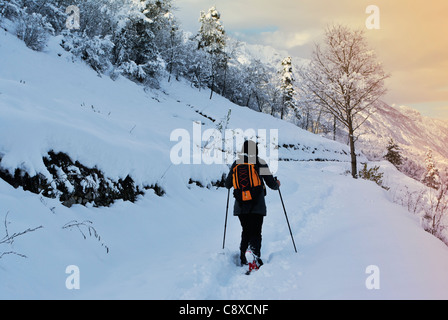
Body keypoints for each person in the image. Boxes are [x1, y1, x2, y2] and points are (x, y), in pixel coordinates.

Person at [225, 140, 281, 268]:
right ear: (255, 150)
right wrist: (277, 183)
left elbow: (227, 184)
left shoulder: (236, 163)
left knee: (246, 230)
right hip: (257, 205)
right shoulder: (260, 162)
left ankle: (243, 255)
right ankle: (255, 257)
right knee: (256, 231)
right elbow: (272, 185)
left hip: (240, 205)